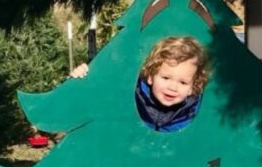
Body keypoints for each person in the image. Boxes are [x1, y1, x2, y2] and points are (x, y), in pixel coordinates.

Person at [72, 37, 209, 132]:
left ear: (193, 87)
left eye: (183, 82)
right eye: (166, 78)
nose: (173, 87)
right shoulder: (133, 95)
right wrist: (84, 77)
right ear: (150, 76)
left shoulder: (195, 111)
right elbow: (100, 97)